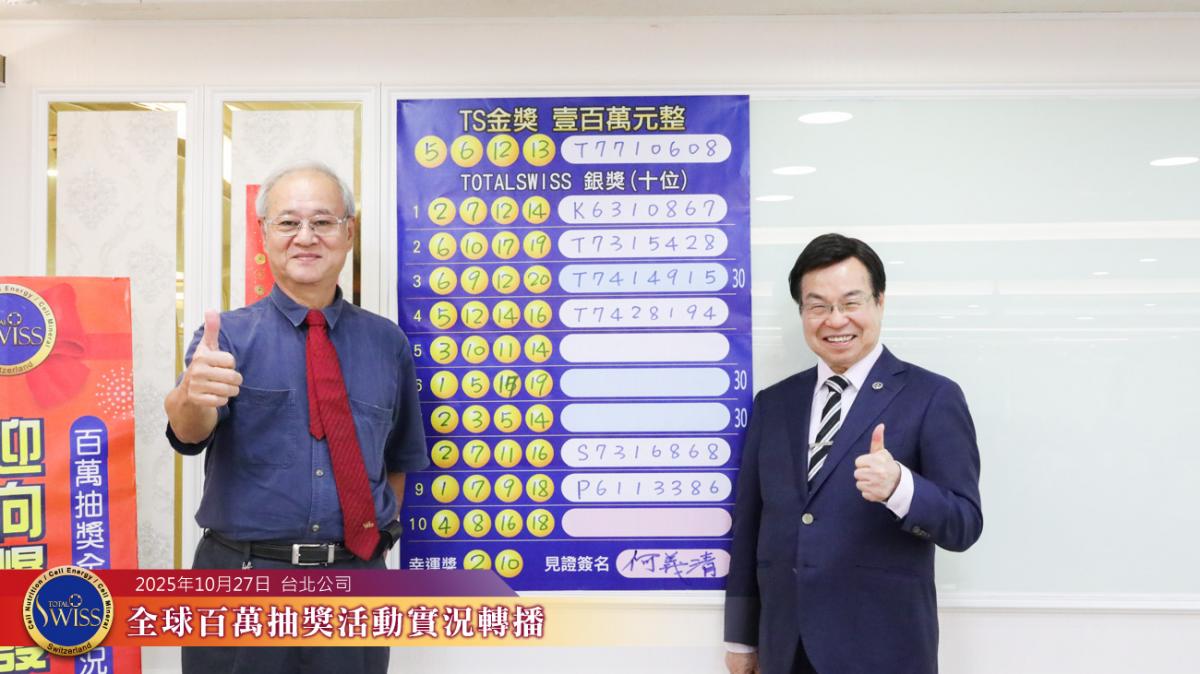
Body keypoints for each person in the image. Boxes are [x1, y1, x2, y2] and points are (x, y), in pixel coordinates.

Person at [164, 161, 428, 673]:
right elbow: (188, 433)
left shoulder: (386, 342)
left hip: (354, 586)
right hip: (242, 581)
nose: (305, 237)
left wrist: (375, 542)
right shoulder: (226, 338)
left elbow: (398, 459)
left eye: (323, 221)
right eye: (288, 222)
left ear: (348, 233)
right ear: (265, 234)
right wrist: (190, 397)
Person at [723, 233, 983, 674]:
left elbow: (964, 524)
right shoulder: (775, 403)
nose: (835, 319)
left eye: (851, 302)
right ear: (802, 313)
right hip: (786, 649)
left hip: (883, 650)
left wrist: (901, 487)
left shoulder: (932, 396)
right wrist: (741, 637)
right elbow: (751, 526)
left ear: (879, 302)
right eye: (818, 306)